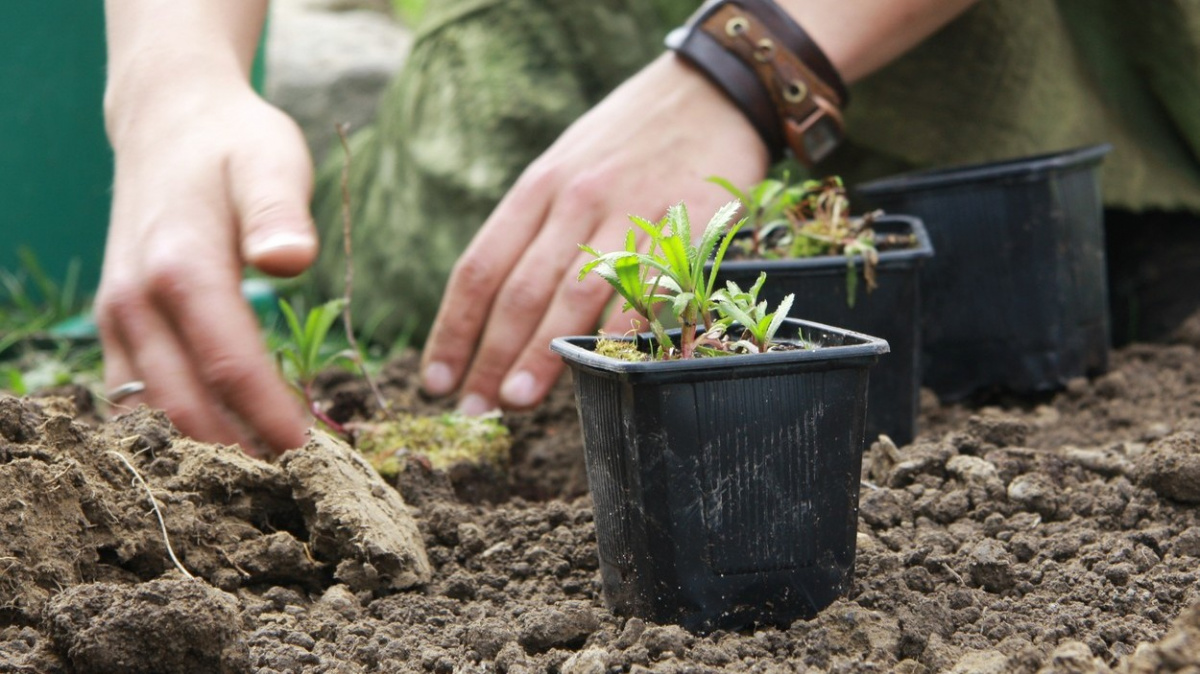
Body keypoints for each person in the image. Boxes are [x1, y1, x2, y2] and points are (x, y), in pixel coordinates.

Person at [100, 0, 1200, 456]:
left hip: (1028, 114)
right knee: (452, 363)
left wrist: (750, 64)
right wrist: (172, 83)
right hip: (521, 70)